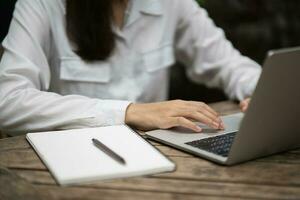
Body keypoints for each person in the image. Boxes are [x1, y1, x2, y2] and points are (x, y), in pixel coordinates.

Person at [0, 0, 261, 135]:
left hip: (162, 154)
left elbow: (228, 63)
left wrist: (264, 91)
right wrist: (127, 112)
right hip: (77, 154)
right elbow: (8, 102)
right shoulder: (42, 5)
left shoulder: (172, 3)